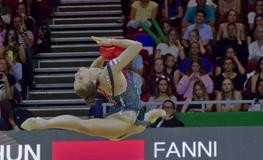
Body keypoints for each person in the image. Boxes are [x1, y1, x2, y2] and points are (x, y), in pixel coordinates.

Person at [21, 37, 166, 140]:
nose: (76, 73)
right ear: (90, 81)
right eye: (80, 78)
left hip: (123, 112)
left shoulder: (95, 74)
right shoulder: (110, 71)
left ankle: (152, 115)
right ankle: (44, 123)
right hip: (123, 117)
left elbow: (97, 63)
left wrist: (104, 54)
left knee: (132, 130)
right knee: (85, 126)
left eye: (76, 78)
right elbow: (137, 46)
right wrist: (111, 42)